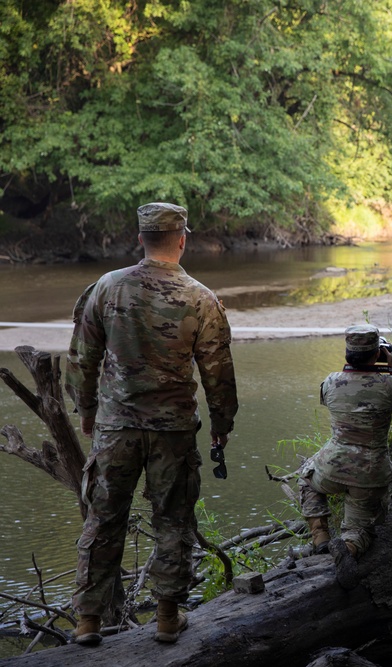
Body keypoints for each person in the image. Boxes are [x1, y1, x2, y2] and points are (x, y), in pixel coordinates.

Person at [65, 202, 238, 646]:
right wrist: (222, 423)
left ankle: (87, 620)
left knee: (103, 520)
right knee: (172, 521)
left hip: (116, 428)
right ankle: (166, 616)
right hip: (173, 432)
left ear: (140, 238)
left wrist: (86, 410)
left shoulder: (106, 288)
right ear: (182, 240)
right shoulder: (201, 298)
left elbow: (83, 358)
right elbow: (217, 371)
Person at [297, 324, 392, 588]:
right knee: (359, 530)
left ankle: (320, 538)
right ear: (377, 354)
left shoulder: (330, 381)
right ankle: (347, 548)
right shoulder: (390, 384)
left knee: (305, 478)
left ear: (348, 352)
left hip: (332, 468)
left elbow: (331, 399)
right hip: (370, 473)